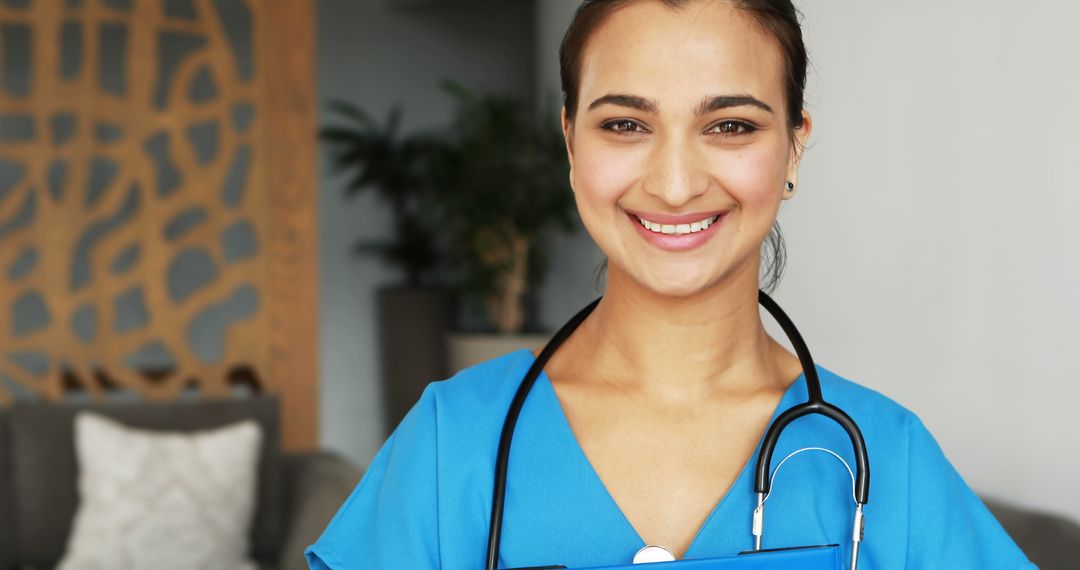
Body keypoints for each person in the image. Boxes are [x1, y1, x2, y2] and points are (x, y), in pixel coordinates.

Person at [305, 0, 1034, 567]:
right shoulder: (454, 441)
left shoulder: (886, 457)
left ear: (794, 145)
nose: (676, 184)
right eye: (625, 125)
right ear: (570, 142)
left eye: (731, 127)